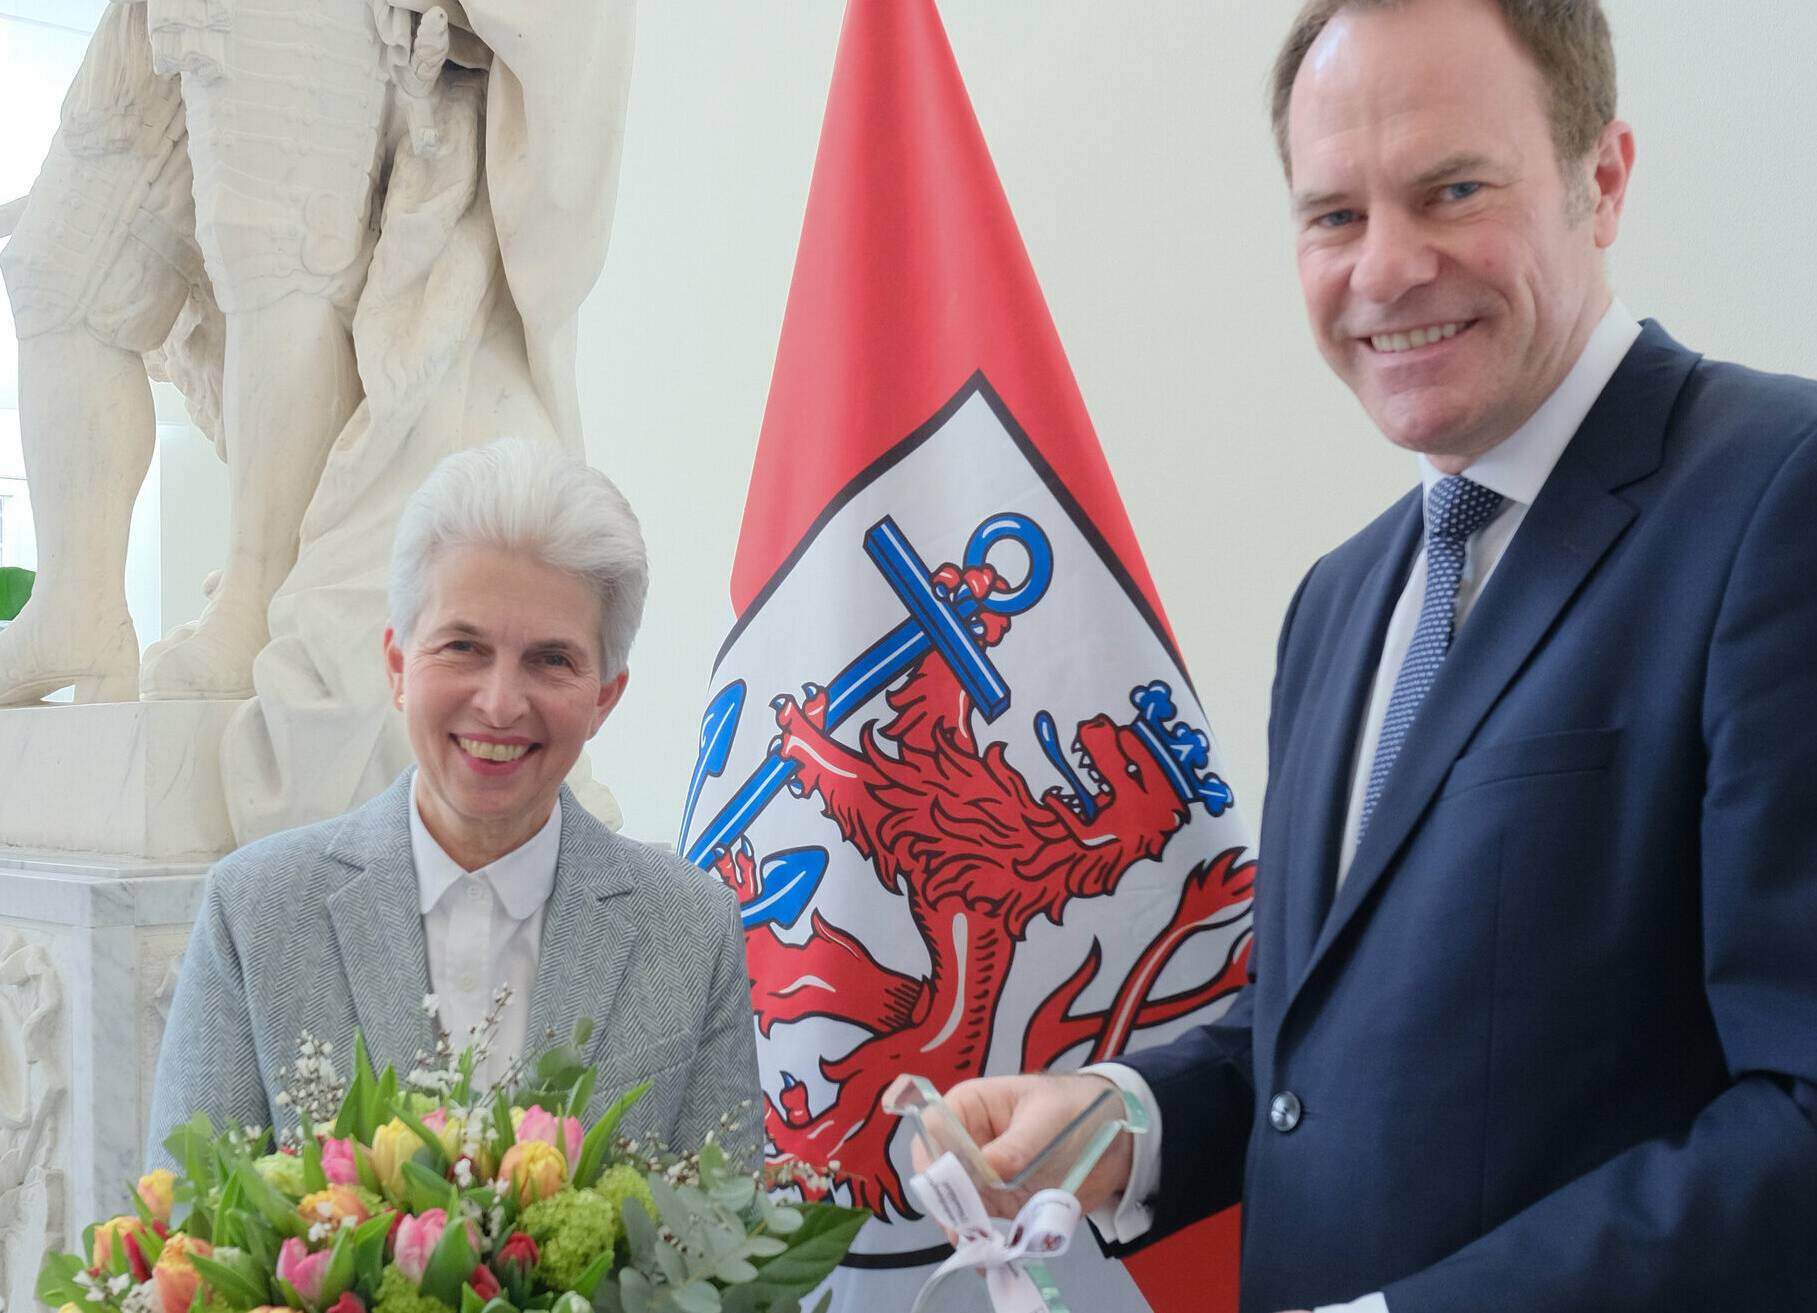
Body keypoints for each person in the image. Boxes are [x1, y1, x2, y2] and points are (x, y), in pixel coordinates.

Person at [935, 2, 1817, 1309]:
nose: (1387, 269)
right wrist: (1121, 1118)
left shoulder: (1777, 494)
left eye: (1450, 189)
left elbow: (1799, 1110)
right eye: (1334, 215)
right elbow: (1321, 1046)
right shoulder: (1340, 600)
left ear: (1604, 179)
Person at [148, 438, 761, 1166]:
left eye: (551, 659)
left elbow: (732, 1252)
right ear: (398, 666)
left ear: (604, 697)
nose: (500, 703)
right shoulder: (254, 913)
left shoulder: (692, 930)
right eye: (462, 647)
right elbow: (182, 1243)